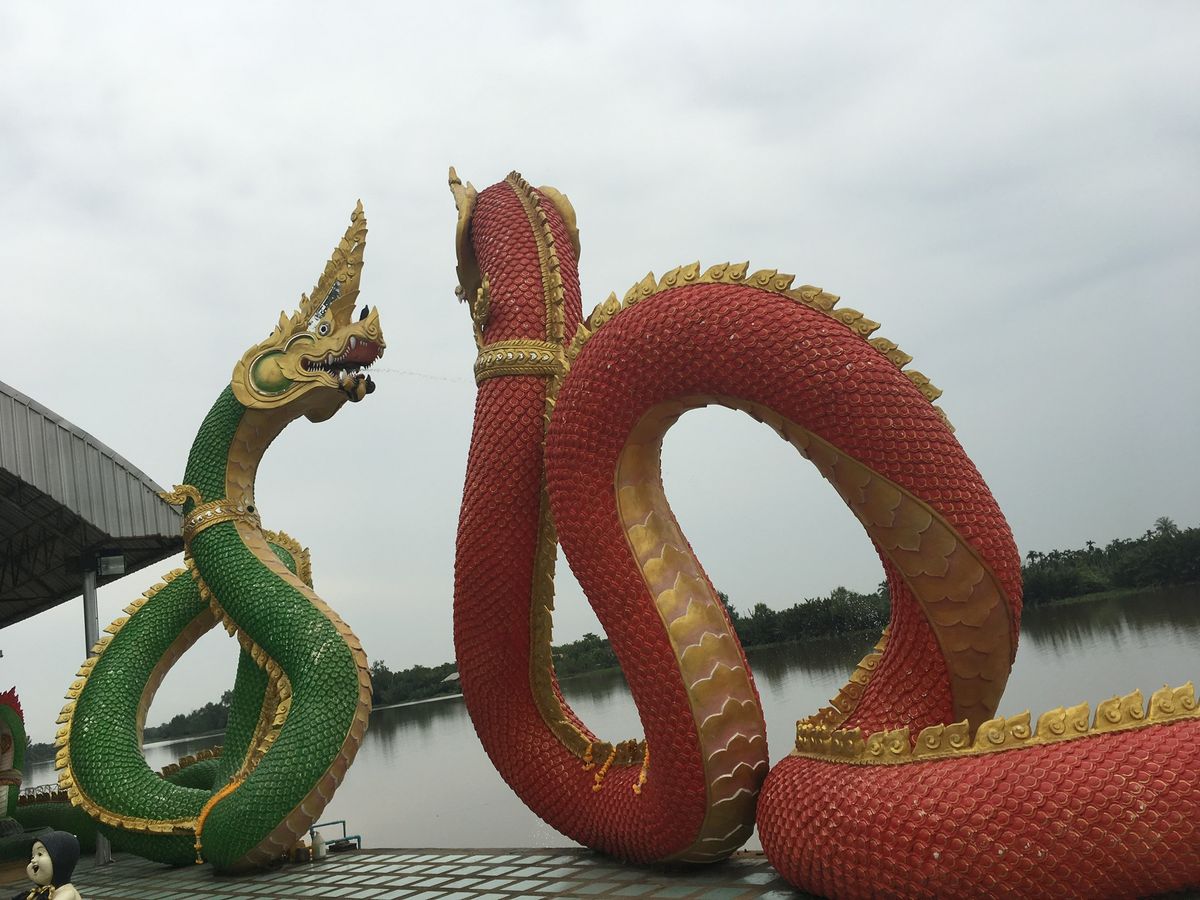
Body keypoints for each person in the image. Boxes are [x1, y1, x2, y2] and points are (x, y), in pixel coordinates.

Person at [11, 831, 81, 900]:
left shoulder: (67, 893)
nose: (33, 860)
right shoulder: (41, 892)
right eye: (32, 857)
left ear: (60, 859)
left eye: (40, 854)